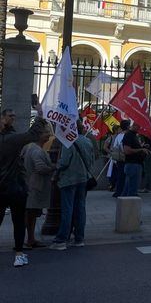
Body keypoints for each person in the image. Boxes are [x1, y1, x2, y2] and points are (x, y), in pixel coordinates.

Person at [0, 107, 47, 266]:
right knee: (18, 221)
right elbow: (32, 135)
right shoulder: (11, 140)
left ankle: (19, 253)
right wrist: (40, 116)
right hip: (14, 187)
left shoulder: (10, 138)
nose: (12, 118)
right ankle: (19, 254)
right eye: (9, 117)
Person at [49, 121, 95, 251]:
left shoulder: (68, 141)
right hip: (83, 178)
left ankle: (61, 239)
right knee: (80, 208)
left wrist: (55, 167)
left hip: (69, 179)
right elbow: (92, 159)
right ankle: (79, 238)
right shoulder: (87, 141)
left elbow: (63, 162)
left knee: (67, 209)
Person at [22, 126, 54, 249]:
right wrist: (53, 168)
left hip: (30, 184)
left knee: (32, 214)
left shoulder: (29, 147)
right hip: (35, 186)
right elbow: (40, 168)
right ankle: (28, 239)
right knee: (30, 214)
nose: (49, 135)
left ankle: (31, 239)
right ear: (38, 135)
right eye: (46, 133)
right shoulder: (37, 150)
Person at [122, 122, 150, 197]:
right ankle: (130, 204)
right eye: (138, 127)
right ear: (134, 126)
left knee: (129, 187)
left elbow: (133, 147)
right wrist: (141, 150)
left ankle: (125, 203)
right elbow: (127, 150)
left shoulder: (134, 135)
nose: (139, 129)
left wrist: (142, 147)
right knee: (132, 188)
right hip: (132, 164)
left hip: (136, 163)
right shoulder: (128, 135)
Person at [110, 121, 128, 198]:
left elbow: (114, 147)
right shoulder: (127, 136)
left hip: (118, 159)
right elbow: (123, 147)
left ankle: (118, 191)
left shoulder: (118, 136)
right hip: (125, 157)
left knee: (120, 175)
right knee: (125, 176)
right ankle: (124, 191)